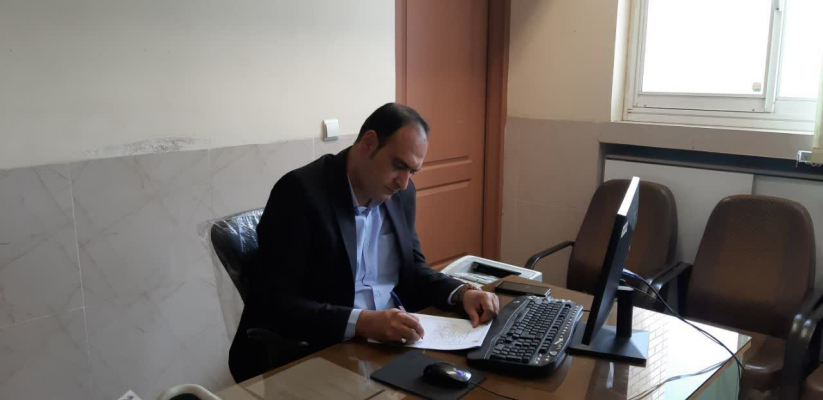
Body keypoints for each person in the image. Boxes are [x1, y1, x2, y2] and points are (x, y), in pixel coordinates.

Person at [228, 103, 500, 382]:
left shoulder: (402, 194)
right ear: (369, 143)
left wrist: (462, 293)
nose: (404, 183)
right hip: (327, 350)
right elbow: (274, 302)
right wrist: (362, 322)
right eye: (399, 166)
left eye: (413, 172)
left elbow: (413, 269)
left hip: (393, 343)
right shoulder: (300, 192)